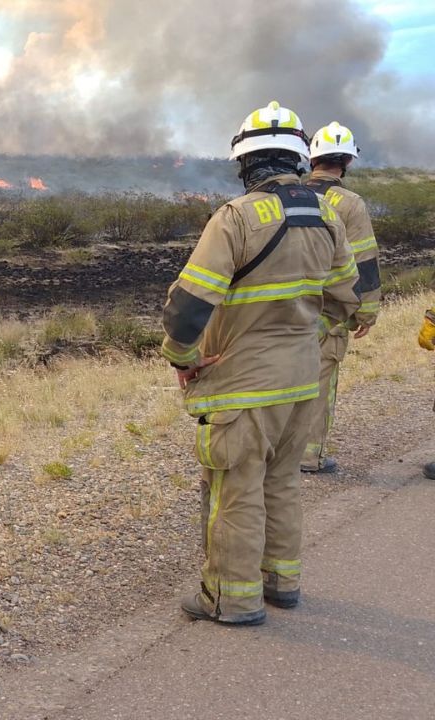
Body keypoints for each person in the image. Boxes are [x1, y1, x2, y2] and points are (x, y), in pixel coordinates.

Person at [160, 102, 359, 624]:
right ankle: (282, 582)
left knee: (238, 488)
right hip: (301, 380)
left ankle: (233, 598)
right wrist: (303, 338)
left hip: (243, 383)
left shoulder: (237, 217)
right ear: (297, 158)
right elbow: (345, 301)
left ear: (244, 163)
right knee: (283, 481)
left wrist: (183, 358)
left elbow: (188, 305)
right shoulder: (328, 216)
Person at [300, 122, 381, 473]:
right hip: (329, 312)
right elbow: (364, 261)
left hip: (283, 308)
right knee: (318, 383)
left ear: (311, 158)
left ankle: (274, 455)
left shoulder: (286, 195)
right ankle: (308, 457)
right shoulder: (349, 204)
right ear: (347, 160)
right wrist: (366, 312)